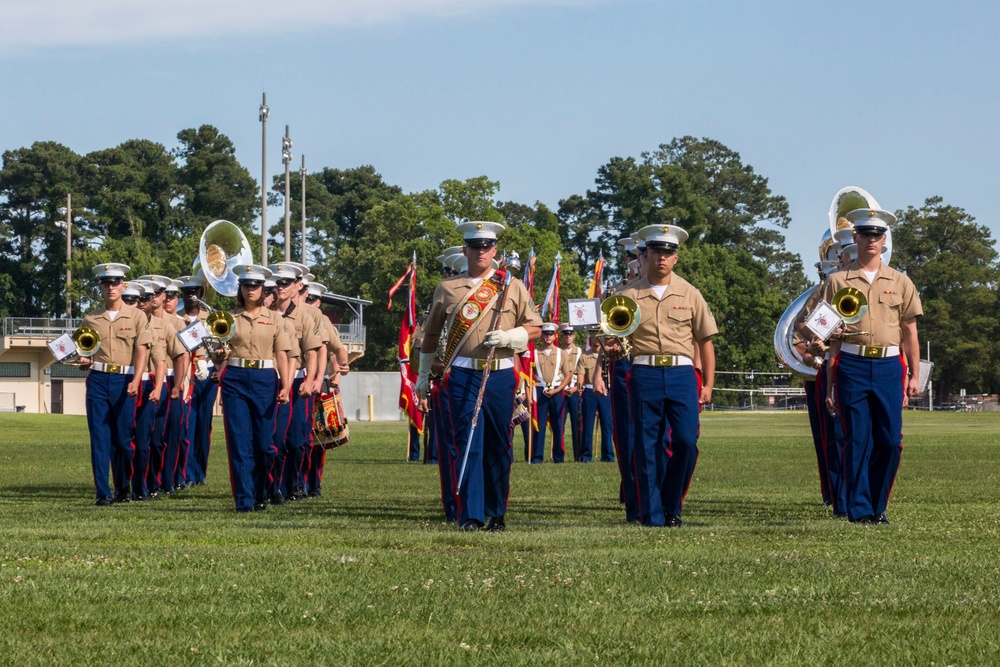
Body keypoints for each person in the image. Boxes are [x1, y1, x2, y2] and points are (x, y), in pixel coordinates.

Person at [416, 221, 542, 531]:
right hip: (461, 375)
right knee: (468, 441)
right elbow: (431, 334)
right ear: (465, 250)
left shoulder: (511, 286)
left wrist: (511, 338)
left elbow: (536, 327)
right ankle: (470, 515)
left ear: (495, 250)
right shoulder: (447, 288)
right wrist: (422, 375)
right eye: (475, 246)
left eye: (486, 246)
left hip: (500, 375)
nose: (481, 251)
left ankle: (495, 511)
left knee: (498, 446)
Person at [822, 208, 922, 524]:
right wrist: (830, 333)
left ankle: (878, 504)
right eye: (865, 234)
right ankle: (861, 509)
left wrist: (915, 374)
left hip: (890, 366)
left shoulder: (901, 281)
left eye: (877, 235)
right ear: (855, 238)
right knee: (857, 440)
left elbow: (910, 331)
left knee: (890, 441)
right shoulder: (837, 280)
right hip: (851, 363)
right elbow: (821, 327)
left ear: (884, 240)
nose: (871, 240)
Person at [620, 224, 717, 527]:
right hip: (644, 371)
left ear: (676, 258)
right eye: (656, 252)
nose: (661, 258)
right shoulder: (626, 294)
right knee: (645, 446)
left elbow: (705, 340)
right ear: (645, 255)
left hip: (681, 373)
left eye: (667, 253)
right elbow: (615, 338)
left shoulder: (690, 293)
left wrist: (709, 383)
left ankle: (671, 504)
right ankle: (652, 514)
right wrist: (610, 346)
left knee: (687, 441)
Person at [217, 265, 292, 512]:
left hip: (265, 379)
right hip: (235, 379)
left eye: (256, 286)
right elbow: (221, 355)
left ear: (263, 290)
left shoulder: (275, 320)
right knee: (239, 443)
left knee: (264, 445)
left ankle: (261, 490)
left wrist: (285, 383)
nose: (251, 290)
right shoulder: (228, 319)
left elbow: (282, 354)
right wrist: (219, 357)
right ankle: (244, 500)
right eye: (246, 285)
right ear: (240, 288)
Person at [79, 263, 152, 505]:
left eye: (115, 283)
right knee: (99, 438)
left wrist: (136, 378)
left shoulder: (137, 316)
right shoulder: (90, 319)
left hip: (124, 380)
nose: (110, 287)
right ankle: (103, 492)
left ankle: (123, 486)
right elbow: (85, 349)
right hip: (98, 380)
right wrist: (84, 359)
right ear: (100, 287)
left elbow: (142, 350)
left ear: (123, 286)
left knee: (123, 440)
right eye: (106, 283)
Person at [593, 236, 643, 522]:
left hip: (650, 364)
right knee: (625, 433)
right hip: (623, 366)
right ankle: (632, 488)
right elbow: (607, 337)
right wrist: (600, 367)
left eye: (639, 255)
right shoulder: (619, 293)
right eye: (631, 257)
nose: (635, 261)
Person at [267, 263, 323, 504]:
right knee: (273, 440)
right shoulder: (264, 314)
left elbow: (313, 352)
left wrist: (311, 380)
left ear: (296, 286)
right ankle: (274, 487)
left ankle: (296, 484)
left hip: (297, 382)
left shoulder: (305, 316)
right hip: (269, 379)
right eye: (277, 283)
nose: (280, 287)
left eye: (285, 283)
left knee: (297, 440)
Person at [128, 280, 168, 501]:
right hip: (120, 385)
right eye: (133, 300)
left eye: (143, 299)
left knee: (145, 442)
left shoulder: (154, 328)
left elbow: (160, 361)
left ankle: (142, 485)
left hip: (146, 385)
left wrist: (159, 388)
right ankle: (124, 485)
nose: (140, 304)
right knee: (123, 442)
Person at [178, 274, 217, 488]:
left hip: (207, 374)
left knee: (204, 424)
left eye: (195, 292)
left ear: (201, 293)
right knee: (186, 424)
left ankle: (200, 472)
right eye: (186, 292)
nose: (191, 296)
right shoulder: (176, 316)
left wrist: (218, 368)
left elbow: (221, 346)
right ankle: (185, 473)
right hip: (185, 375)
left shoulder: (211, 317)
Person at [530, 322, 573, 463]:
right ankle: (537, 457)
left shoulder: (562, 353)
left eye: (550, 334)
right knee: (539, 425)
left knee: (558, 425)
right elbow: (530, 375)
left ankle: (558, 457)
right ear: (541, 335)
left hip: (557, 390)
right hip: (540, 390)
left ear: (555, 336)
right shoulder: (535, 353)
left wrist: (557, 390)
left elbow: (568, 375)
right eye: (545, 334)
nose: (548, 337)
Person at [579, 335, 614, 463]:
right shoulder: (584, 356)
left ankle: (608, 455)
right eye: (594, 335)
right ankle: (586, 455)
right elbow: (581, 375)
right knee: (587, 425)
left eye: (599, 336)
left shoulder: (609, 354)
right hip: (589, 390)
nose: (596, 339)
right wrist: (579, 386)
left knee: (607, 425)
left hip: (606, 391)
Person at [558, 323, 585, 461]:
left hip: (575, 391)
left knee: (577, 425)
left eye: (570, 334)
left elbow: (583, 372)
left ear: (574, 336)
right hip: (560, 391)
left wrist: (576, 387)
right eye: (565, 334)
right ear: (561, 336)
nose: (568, 337)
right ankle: (558, 456)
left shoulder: (580, 352)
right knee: (559, 425)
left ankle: (578, 456)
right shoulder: (557, 351)